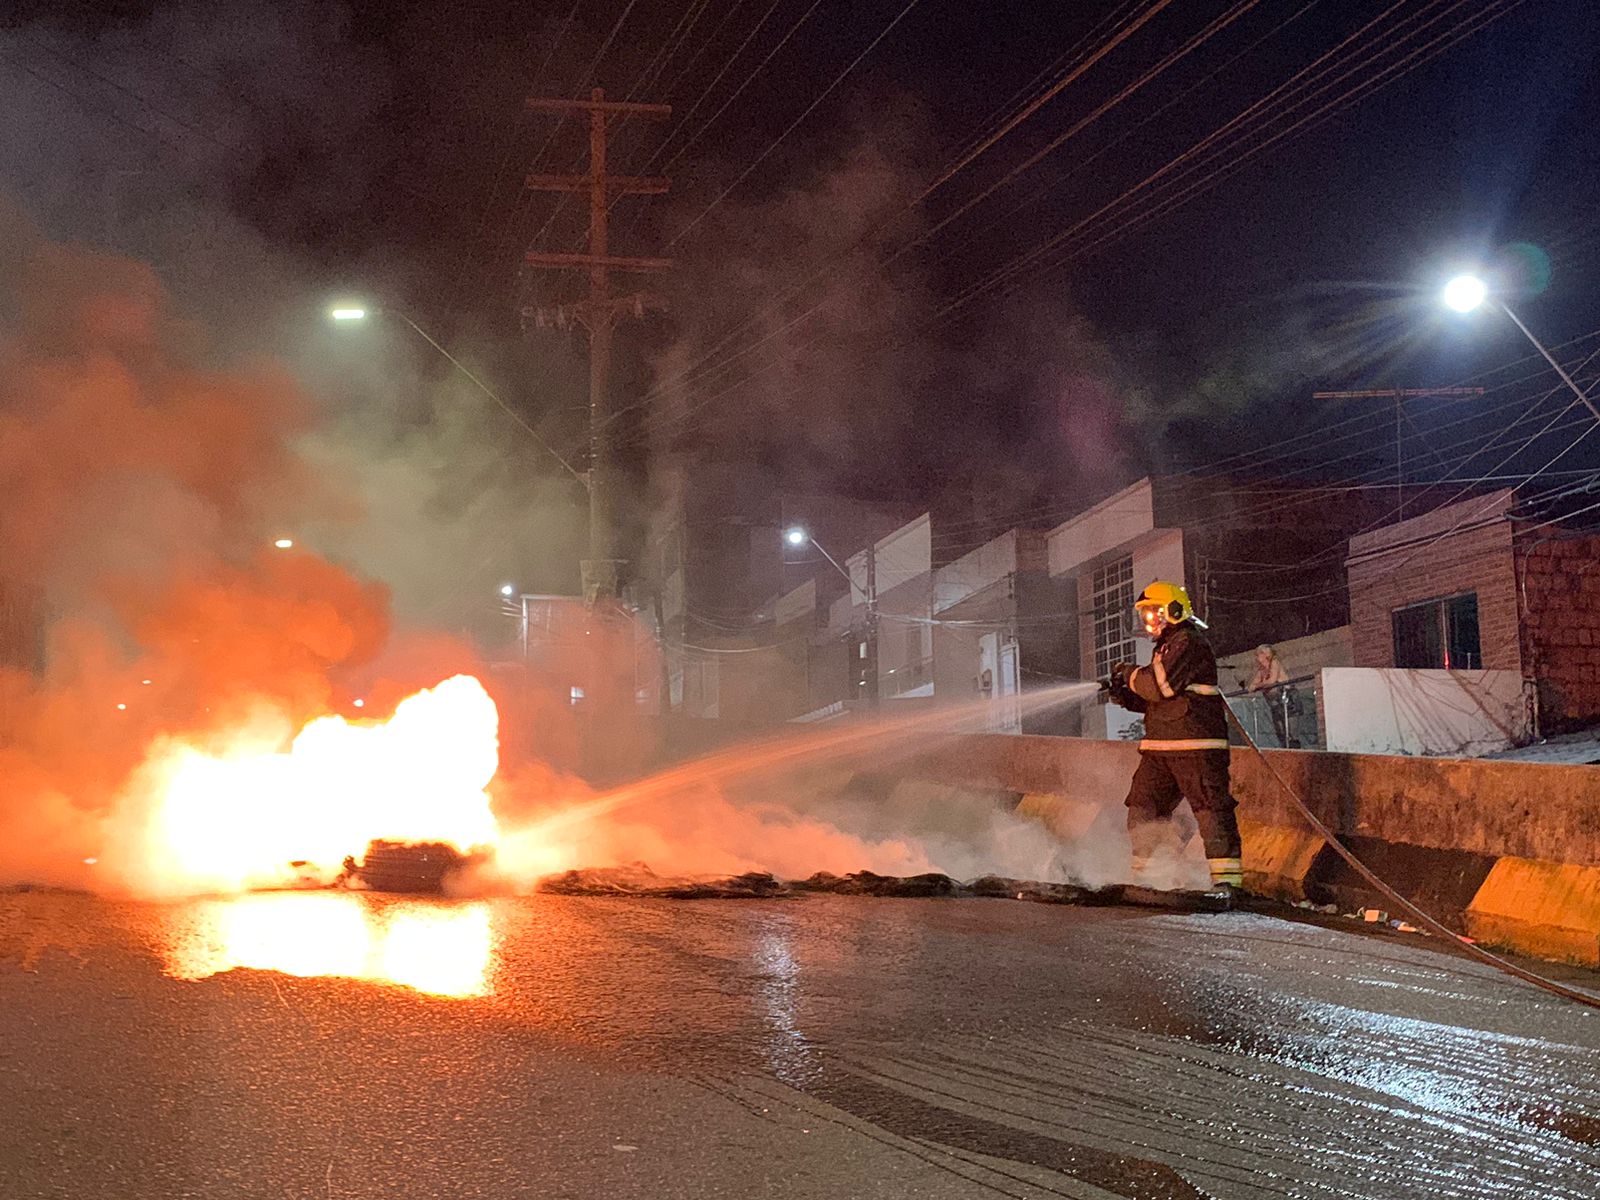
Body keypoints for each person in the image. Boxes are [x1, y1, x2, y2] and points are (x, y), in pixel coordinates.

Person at [1103, 581, 1243, 892]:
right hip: (1159, 749)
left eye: (1154, 613)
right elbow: (1156, 699)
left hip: (1196, 747)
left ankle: (1228, 884)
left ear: (1175, 611)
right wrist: (1123, 694)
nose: (1149, 621)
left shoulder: (1189, 643)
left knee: (1210, 812)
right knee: (1143, 807)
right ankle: (1147, 880)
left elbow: (1159, 687)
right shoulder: (1165, 648)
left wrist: (1128, 674)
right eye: (1145, 615)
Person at [1245, 644, 1291, 748]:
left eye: (1258, 655)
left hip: (1286, 699)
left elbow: (1272, 681)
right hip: (1274, 703)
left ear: (1265, 654)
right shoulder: (1261, 670)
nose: (1256, 658)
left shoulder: (1274, 663)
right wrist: (1256, 685)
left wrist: (1258, 685)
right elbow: (1252, 685)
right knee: (1279, 729)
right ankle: (1284, 747)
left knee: (1288, 728)